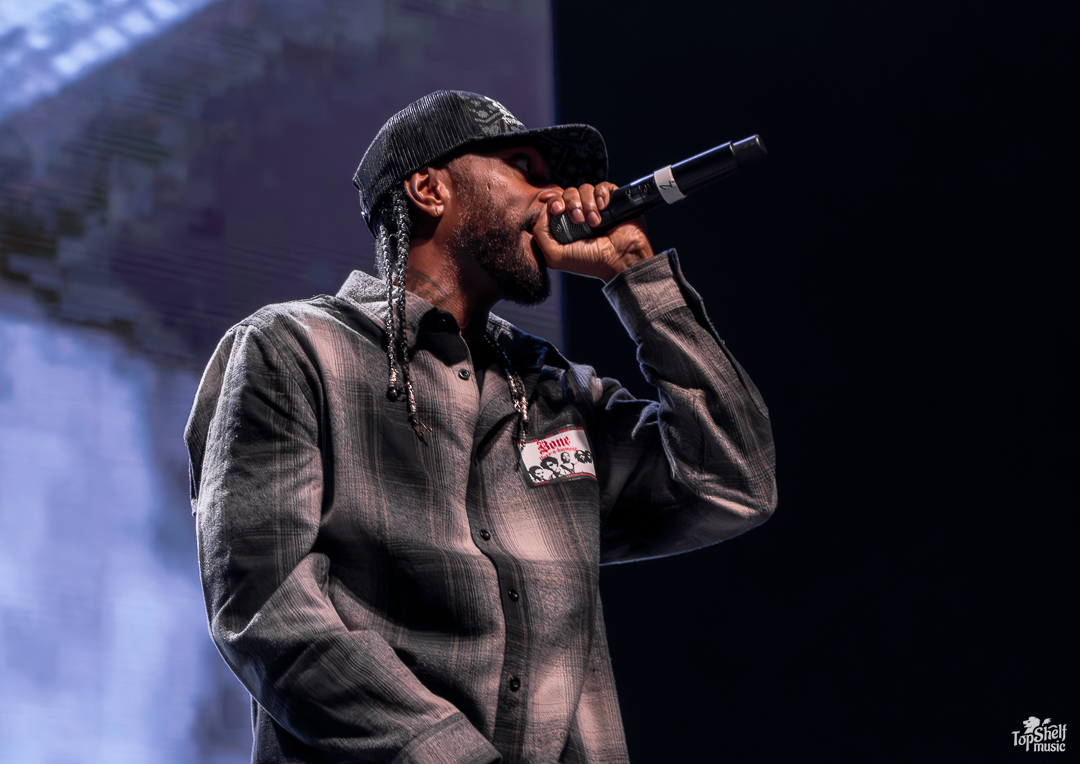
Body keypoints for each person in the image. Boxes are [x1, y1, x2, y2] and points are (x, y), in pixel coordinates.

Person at [186, 90, 777, 764]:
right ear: (430, 189)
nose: (553, 195)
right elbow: (266, 608)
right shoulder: (291, 350)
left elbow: (736, 483)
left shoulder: (557, 388)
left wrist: (636, 274)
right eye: (524, 167)